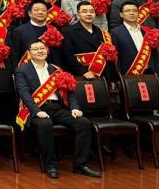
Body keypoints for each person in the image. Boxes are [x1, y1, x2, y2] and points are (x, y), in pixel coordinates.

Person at [15, 41, 99, 179]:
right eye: (35, 49)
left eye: (42, 48)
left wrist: (75, 108)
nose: (40, 51)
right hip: (36, 108)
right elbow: (24, 93)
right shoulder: (22, 70)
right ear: (29, 53)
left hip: (57, 108)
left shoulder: (56, 69)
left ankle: (80, 165)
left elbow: (70, 91)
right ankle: (51, 165)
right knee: (45, 124)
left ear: (47, 51)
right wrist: (37, 111)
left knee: (83, 123)